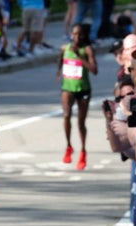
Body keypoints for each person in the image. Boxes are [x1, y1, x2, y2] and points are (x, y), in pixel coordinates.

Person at [57, 22, 97, 169]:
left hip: (83, 89)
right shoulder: (64, 48)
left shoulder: (86, 49)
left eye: (80, 34)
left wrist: (79, 56)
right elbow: (60, 60)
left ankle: (83, 151)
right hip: (67, 88)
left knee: (81, 123)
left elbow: (94, 70)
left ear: (84, 36)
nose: (76, 37)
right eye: (74, 34)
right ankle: (68, 146)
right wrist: (58, 72)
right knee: (66, 115)